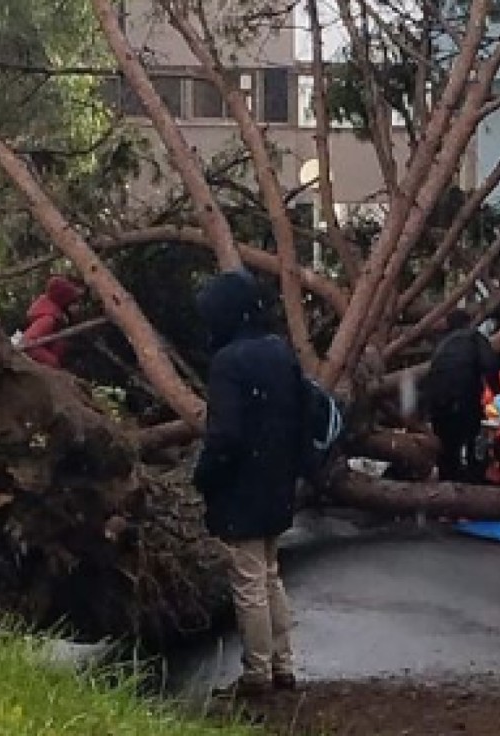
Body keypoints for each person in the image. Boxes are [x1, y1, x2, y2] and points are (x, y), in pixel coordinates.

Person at [192, 269, 302, 697]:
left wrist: (206, 477)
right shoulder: (279, 351)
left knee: (249, 581)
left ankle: (257, 674)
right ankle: (283, 665)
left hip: (241, 486)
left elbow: (225, 435)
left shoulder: (227, 363)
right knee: (270, 575)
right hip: (276, 478)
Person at [424, 308, 500, 482]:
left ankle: (447, 481)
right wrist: (498, 394)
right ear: (468, 323)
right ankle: (473, 479)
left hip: (438, 402)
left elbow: (432, 374)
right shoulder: (474, 338)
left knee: (447, 446)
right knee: (472, 438)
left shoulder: (441, 345)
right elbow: (490, 365)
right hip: (465, 398)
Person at [22, 275, 84, 368]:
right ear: (64, 301)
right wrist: (53, 365)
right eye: (73, 302)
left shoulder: (58, 317)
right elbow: (27, 344)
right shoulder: (48, 319)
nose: (77, 306)